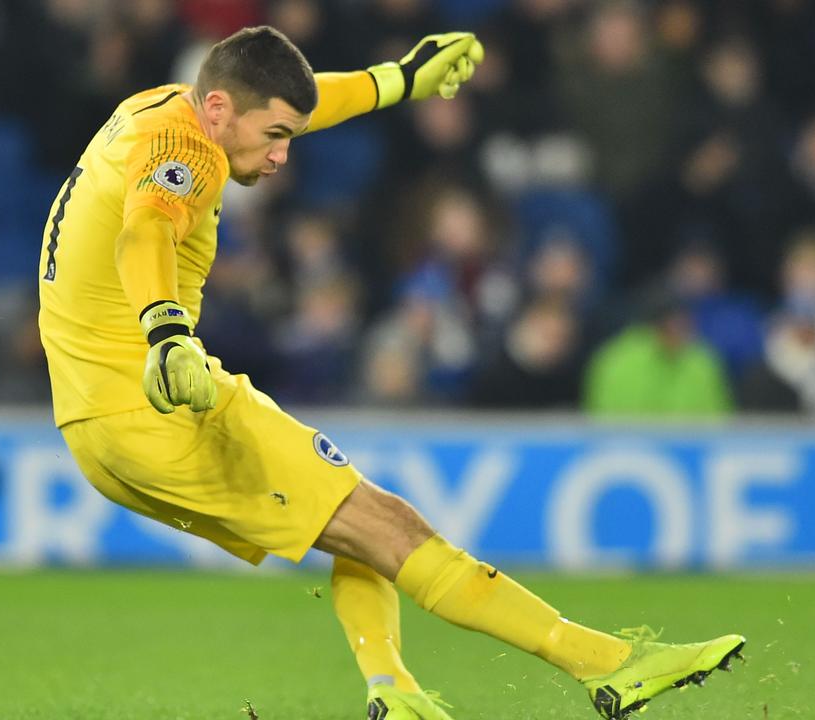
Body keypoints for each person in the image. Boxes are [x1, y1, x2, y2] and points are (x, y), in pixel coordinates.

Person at [36, 26, 742, 720]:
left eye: (290, 135)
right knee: (395, 531)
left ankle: (393, 690)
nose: (283, 156)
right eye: (275, 135)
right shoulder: (185, 150)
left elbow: (307, 107)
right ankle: (609, 666)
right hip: (160, 404)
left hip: (98, 423)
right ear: (218, 110)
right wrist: (165, 331)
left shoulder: (162, 109)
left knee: (358, 522)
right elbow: (148, 229)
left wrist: (404, 78)